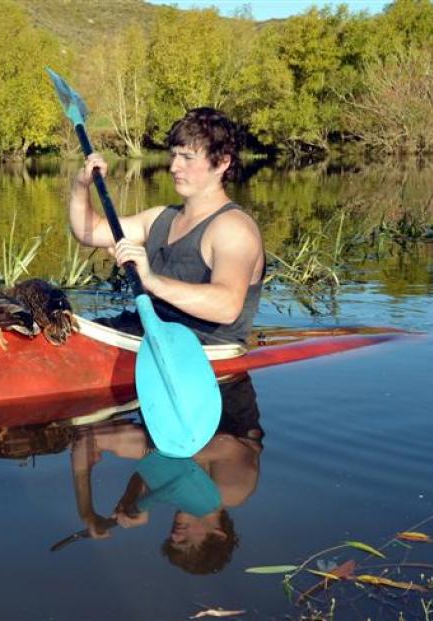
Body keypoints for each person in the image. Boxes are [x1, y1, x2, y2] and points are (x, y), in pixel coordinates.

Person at [69, 108, 265, 345]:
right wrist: (81, 186)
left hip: (199, 350)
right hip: (145, 332)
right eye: (174, 156)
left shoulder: (233, 228)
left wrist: (151, 280)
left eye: (188, 158)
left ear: (223, 162)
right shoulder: (160, 218)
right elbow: (89, 232)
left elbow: (227, 307)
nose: (174, 167)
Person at [67, 374, 264, 574]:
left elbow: (84, 441)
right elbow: (226, 444)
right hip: (222, 387)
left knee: (89, 436)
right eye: (185, 542)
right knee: (121, 444)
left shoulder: (173, 487)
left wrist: (88, 513)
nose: (174, 535)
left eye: (172, 541)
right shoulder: (232, 493)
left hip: (169, 404)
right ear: (218, 534)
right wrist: (149, 456)